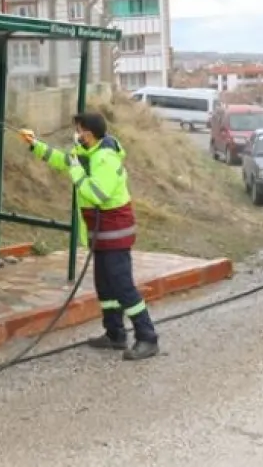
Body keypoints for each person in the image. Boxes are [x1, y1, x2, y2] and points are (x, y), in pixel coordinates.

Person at [19, 112, 160, 361]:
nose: (76, 134)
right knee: (105, 285)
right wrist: (34, 145)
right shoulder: (88, 152)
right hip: (101, 233)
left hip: (115, 231)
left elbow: (97, 194)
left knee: (123, 286)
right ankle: (115, 334)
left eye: (79, 130)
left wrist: (75, 172)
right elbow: (64, 160)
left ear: (89, 134)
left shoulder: (105, 158)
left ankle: (147, 337)